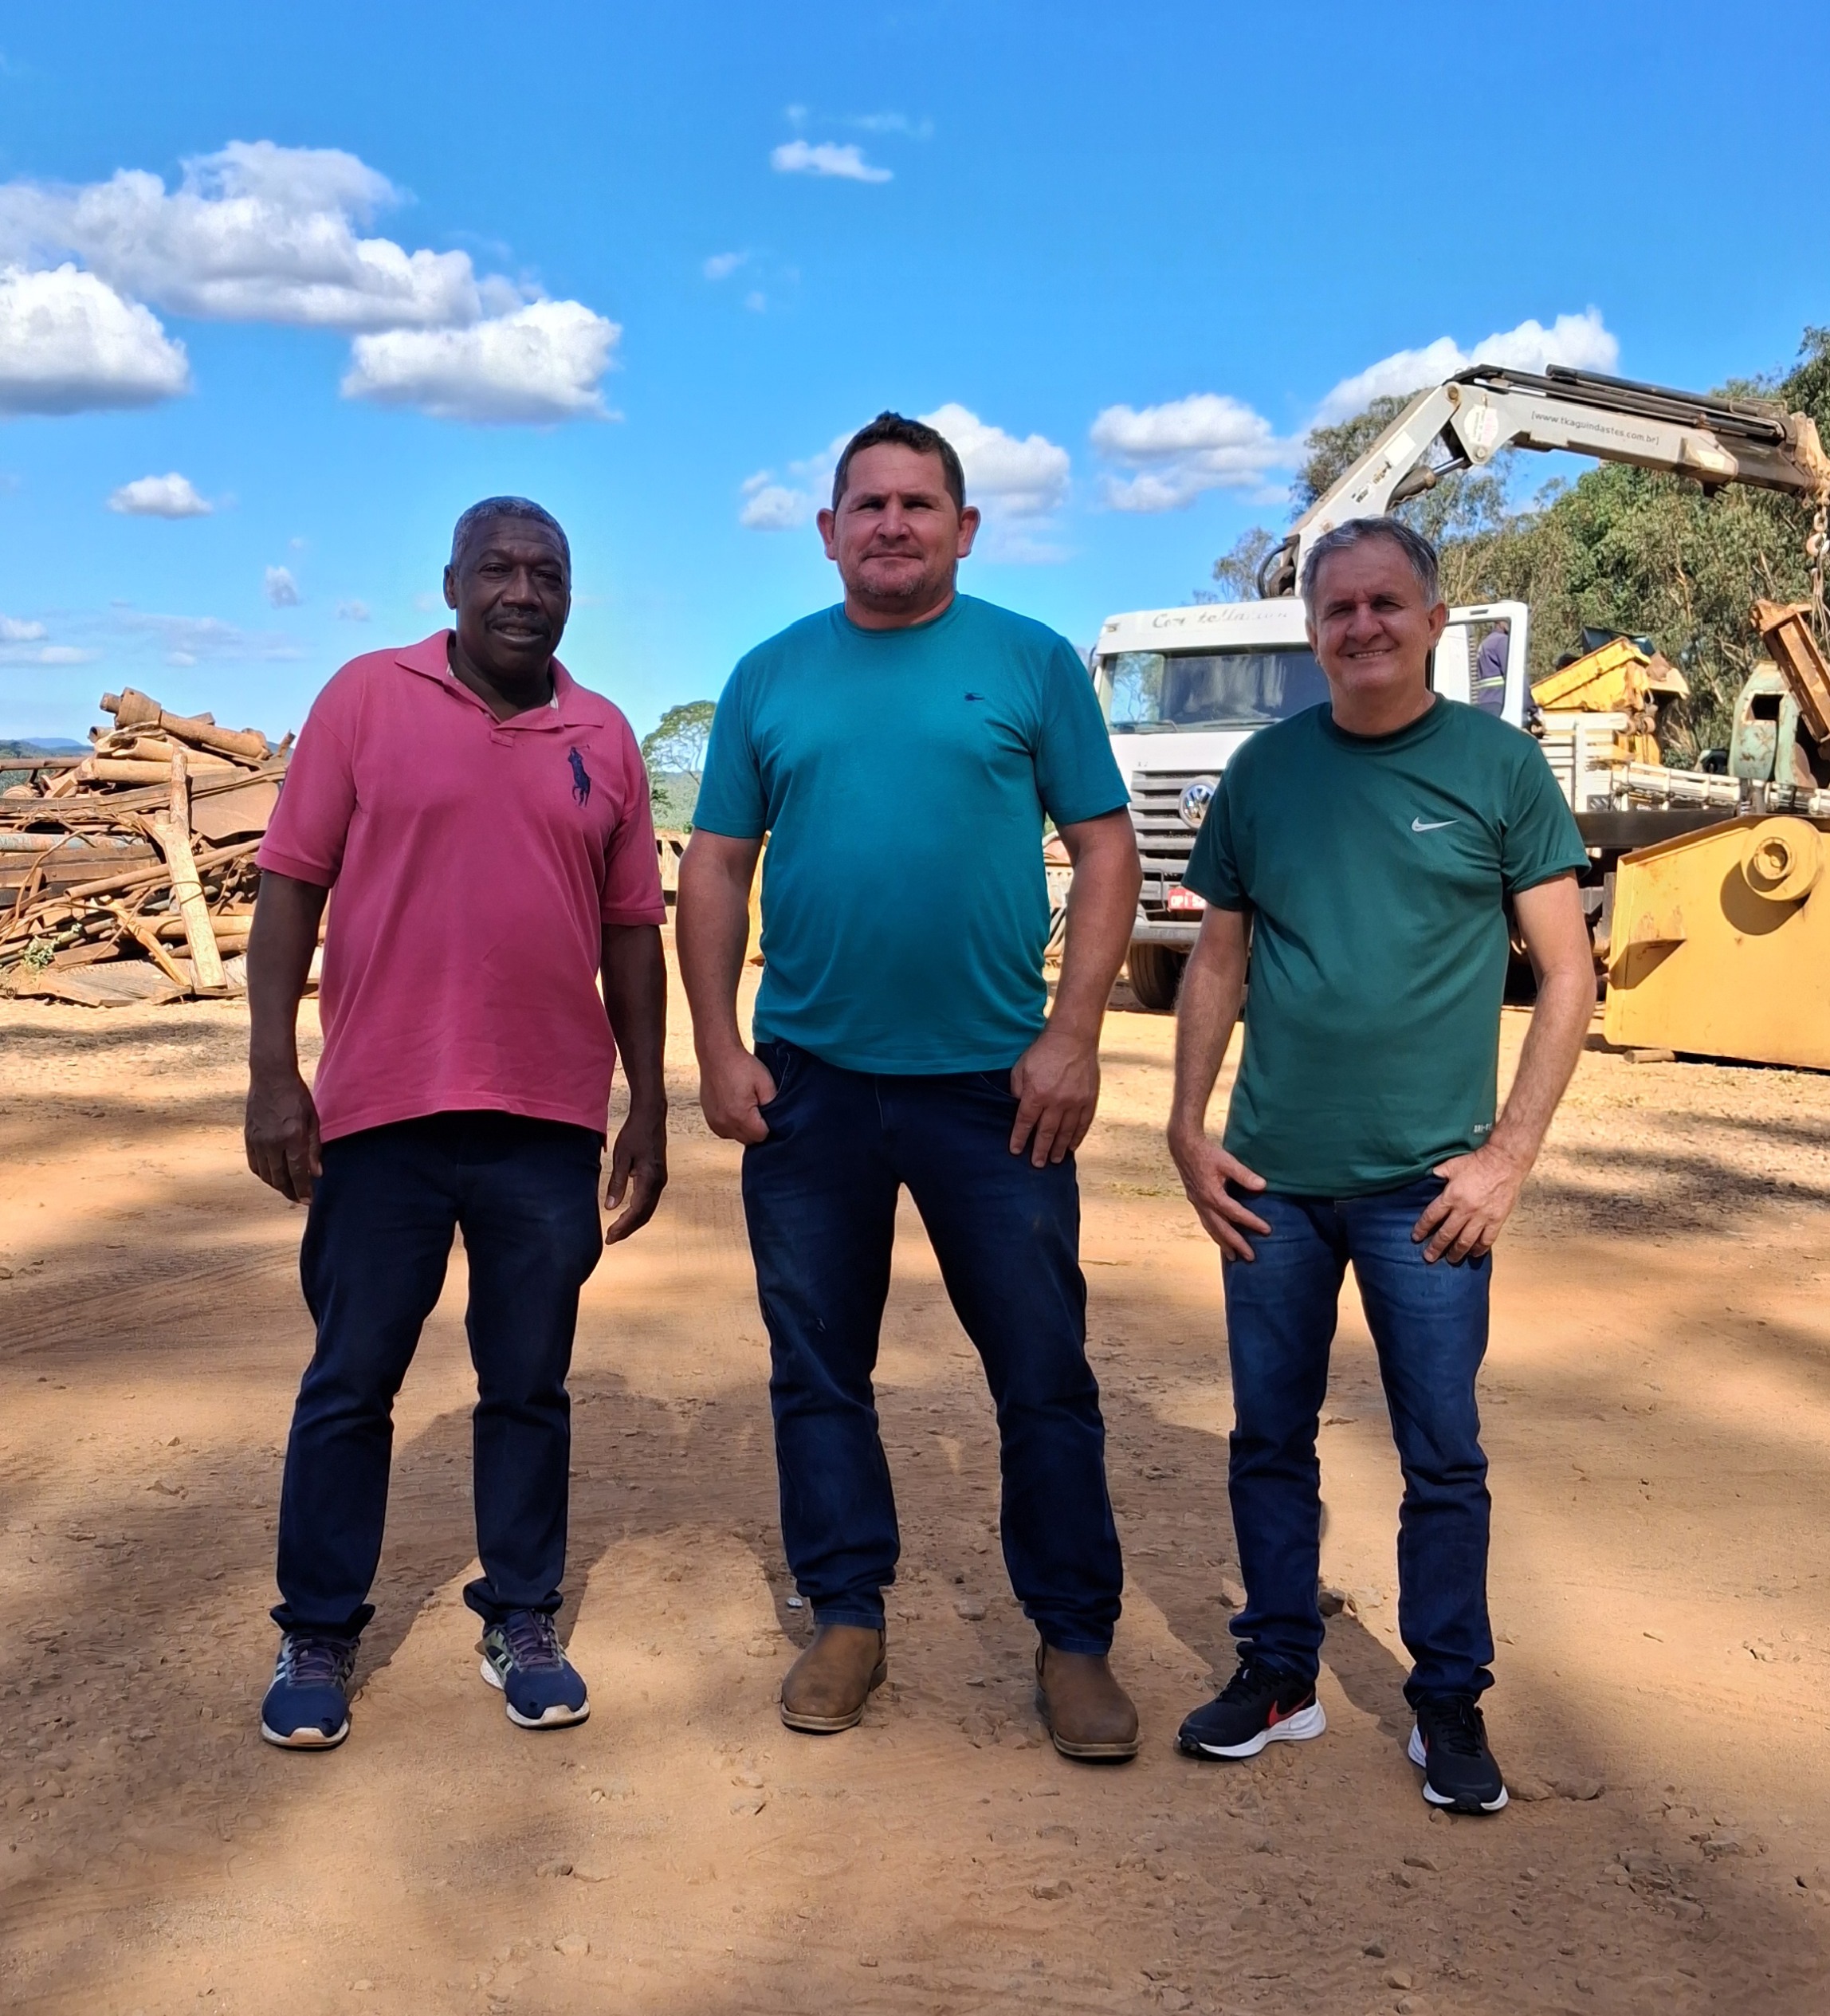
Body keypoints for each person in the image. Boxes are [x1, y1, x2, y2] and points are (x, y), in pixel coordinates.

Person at [676, 412, 1145, 1761]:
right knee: (820, 1362)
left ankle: (1073, 1640)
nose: (893, 522)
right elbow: (715, 865)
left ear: (965, 528)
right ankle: (847, 1615)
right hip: (810, 1084)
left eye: (919, 503)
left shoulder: (1030, 661)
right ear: (829, 532)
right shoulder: (770, 675)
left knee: (1041, 1365)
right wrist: (716, 1044)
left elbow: (1106, 849)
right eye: (868, 504)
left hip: (997, 1087)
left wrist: (1075, 1034)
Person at [1165, 517, 1594, 1814]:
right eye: (1337, 608)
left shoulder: (1498, 767)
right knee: (1268, 1435)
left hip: (1429, 1194)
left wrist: (1508, 1156)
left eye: (1385, 604)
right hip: (1273, 1181)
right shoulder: (1264, 773)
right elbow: (1220, 957)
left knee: (1441, 1452)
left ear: (1433, 618)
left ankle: (1447, 1695)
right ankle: (1279, 1671)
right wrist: (1187, 1125)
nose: (1361, 626)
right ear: (1312, 632)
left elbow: (1567, 973)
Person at [245, 497, 669, 1750]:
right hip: (383, 1111)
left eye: (548, 573)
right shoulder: (364, 700)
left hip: (546, 1119)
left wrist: (649, 1099)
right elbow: (289, 887)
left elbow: (631, 932)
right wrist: (273, 1073)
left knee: (528, 1382)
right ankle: (318, 1628)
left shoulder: (604, 734)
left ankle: (522, 1615)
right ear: (450, 584)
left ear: (571, 595)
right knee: (350, 1378)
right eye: (498, 568)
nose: (523, 592)